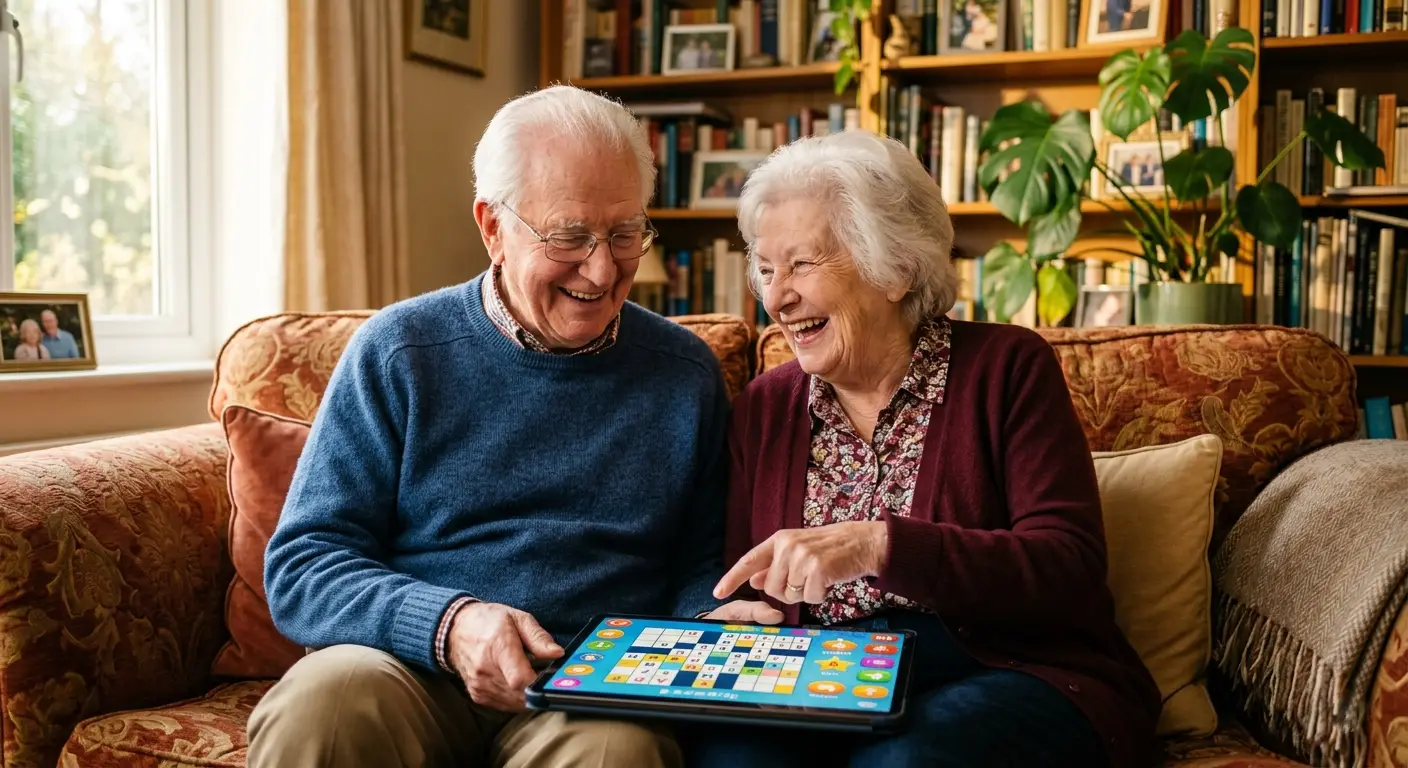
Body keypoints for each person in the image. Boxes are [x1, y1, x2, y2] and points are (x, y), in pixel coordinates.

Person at [248, 84, 778, 768]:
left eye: (624, 233)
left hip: (589, 689)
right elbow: (304, 564)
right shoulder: (400, 352)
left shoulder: (684, 374)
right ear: (493, 227)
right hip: (410, 672)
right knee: (323, 703)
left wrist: (710, 619)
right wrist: (448, 624)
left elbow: (698, 563)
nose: (602, 267)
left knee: (620, 752)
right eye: (569, 236)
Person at [690, 130, 1162, 767]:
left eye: (802, 264)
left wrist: (879, 545)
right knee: (733, 757)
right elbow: (741, 580)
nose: (777, 297)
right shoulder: (765, 407)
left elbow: (1068, 569)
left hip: (999, 666)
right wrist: (732, 618)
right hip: (822, 679)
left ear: (897, 268)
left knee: (909, 760)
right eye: (767, 271)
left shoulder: (1007, 369)